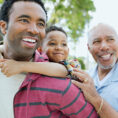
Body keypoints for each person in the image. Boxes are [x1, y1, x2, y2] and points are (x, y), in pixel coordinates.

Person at [0, 0, 98, 118]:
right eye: (24, 20)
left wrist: (19, 65)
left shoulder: (63, 83)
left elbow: (63, 70)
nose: (34, 30)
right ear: (3, 27)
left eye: (40, 24)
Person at [72, 23, 118, 118]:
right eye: (97, 41)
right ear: (89, 48)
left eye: (110, 40)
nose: (104, 47)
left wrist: (94, 98)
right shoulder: (85, 76)